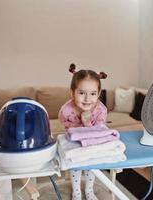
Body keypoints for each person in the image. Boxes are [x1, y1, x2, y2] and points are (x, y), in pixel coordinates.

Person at [58, 63, 108, 200]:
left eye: (93, 94)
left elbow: (99, 132)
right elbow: (67, 128)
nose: (87, 99)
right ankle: (76, 192)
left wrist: (87, 122)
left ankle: (89, 190)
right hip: (74, 143)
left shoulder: (100, 110)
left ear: (98, 94)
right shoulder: (67, 110)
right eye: (81, 93)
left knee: (91, 165)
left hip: (92, 143)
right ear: (72, 93)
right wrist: (79, 128)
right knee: (76, 165)